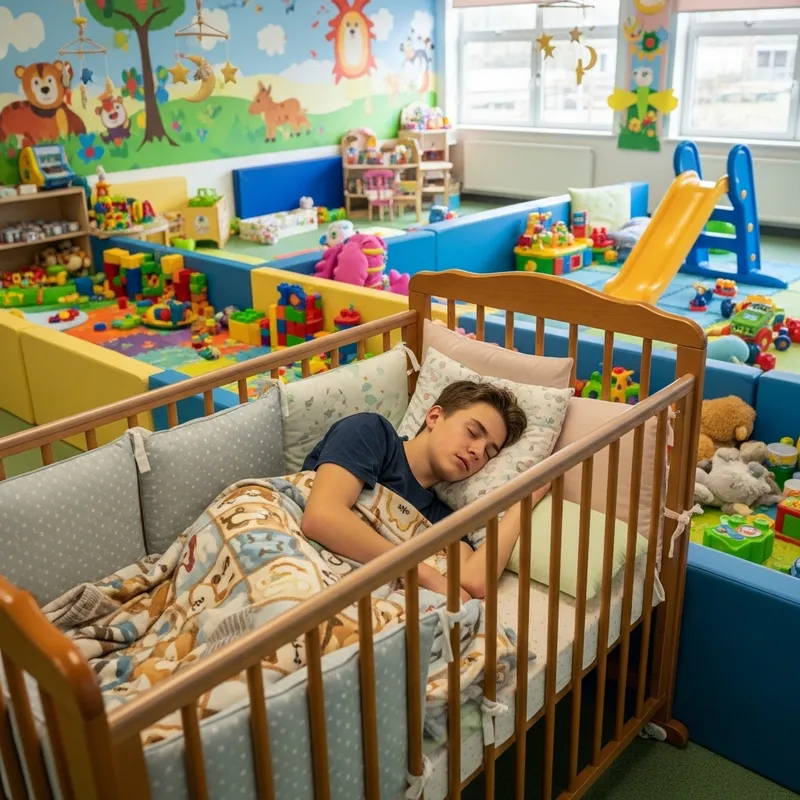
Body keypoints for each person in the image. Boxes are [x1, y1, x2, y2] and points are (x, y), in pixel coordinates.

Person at [301, 380, 551, 601]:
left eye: (488, 453)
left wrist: (522, 503)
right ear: (434, 417)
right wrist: (427, 576)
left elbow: (474, 582)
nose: (477, 451)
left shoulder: (442, 517)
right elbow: (321, 517)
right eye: (473, 432)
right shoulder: (372, 433)